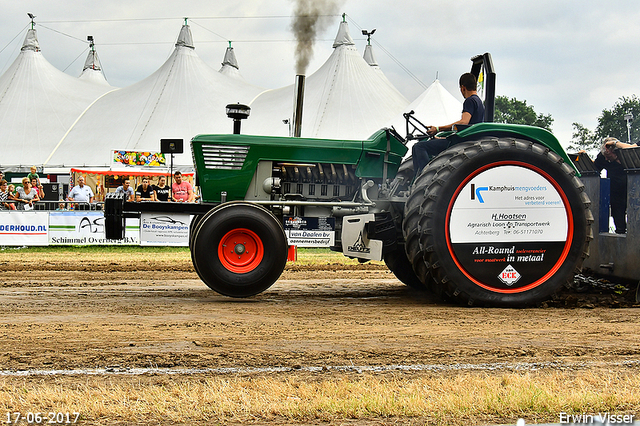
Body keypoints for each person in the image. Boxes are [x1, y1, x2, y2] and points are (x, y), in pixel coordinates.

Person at [412, 72, 485, 176]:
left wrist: (438, 129)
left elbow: (464, 123)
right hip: (466, 140)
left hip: (460, 143)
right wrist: (442, 138)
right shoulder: (480, 103)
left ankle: (424, 176)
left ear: (463, 88)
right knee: (429, 144)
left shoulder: (469, 101)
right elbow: (468, 128)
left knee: (419, 147)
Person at [592, 137, 639, 234]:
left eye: (608, 155)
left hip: (634, 190)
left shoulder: (628, 153)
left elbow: (634, 147)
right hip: (616, 193)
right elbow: (594, 168)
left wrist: (615, 143)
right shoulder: (603, 157)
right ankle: (620, 234)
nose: (606, 158)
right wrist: (584, 157)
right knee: (618, 219)